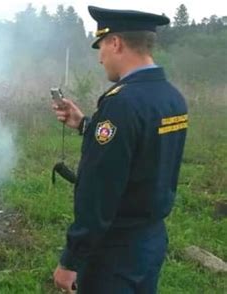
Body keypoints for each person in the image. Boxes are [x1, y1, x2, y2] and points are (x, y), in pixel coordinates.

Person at [52, 6, 188, 294]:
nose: (100, 58)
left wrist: (71, 259)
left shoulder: (121, 104)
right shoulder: (172, 98)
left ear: (116, 43)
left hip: (114, 251)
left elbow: (99, 191)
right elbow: (139, 149)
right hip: (150, 240)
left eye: (101, 46)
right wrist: (84, 124)